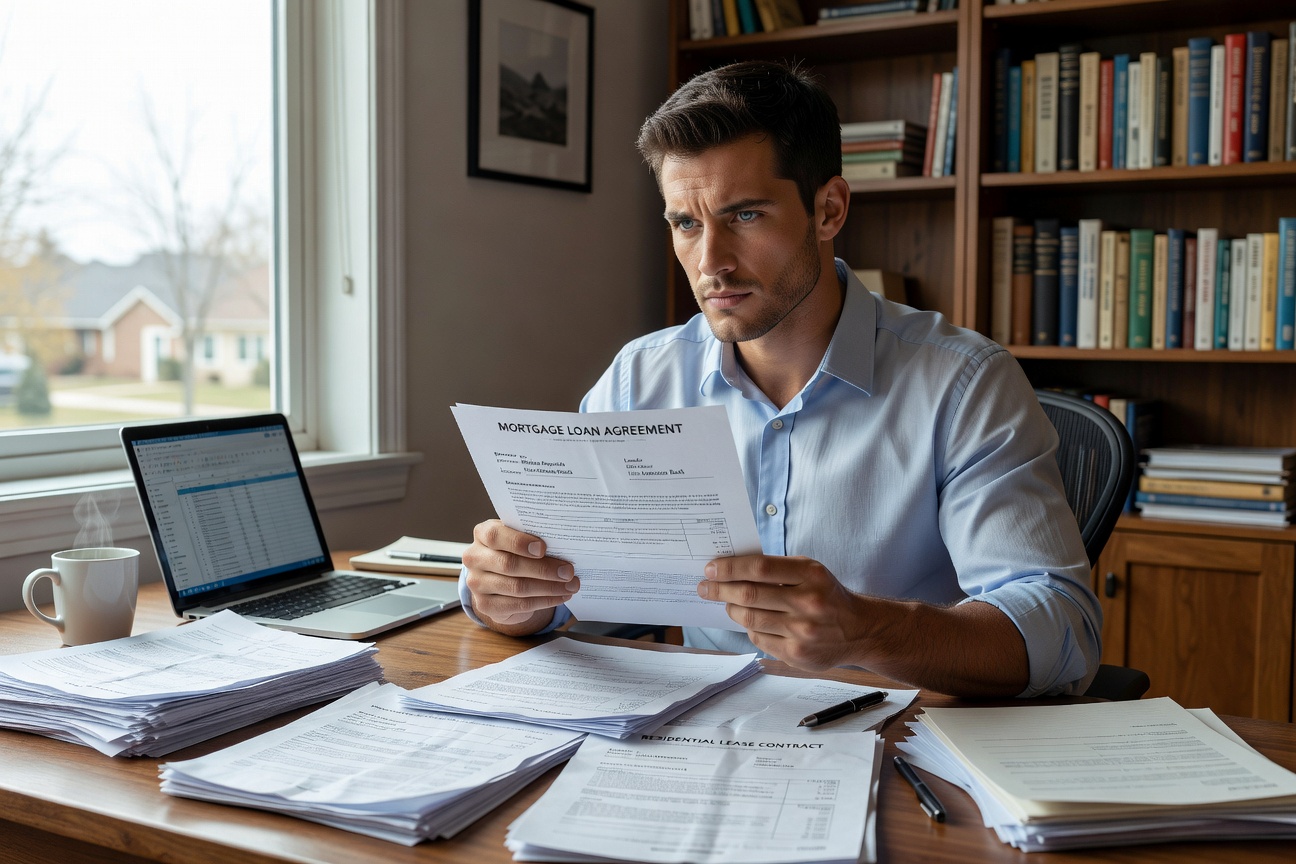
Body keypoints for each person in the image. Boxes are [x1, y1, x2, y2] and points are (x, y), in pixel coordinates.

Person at [459, 60, 1101, 698]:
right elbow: (576, 591)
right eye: (686, 223)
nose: (711, 262)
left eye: (744, 216)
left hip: (907, 746)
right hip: (702, 741)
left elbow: (1063, 629)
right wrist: (510, 596)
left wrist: (868, 631)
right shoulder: (640, 378)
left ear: (828, 210)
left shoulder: (964, 384)